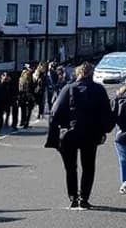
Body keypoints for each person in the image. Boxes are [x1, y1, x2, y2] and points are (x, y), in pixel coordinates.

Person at [48, 63, 114, 210]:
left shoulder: (68, 88)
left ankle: (73, 198)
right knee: (88, 167)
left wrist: (55, 135)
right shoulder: (98, 90)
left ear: (77, 73)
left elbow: (55, 112)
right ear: (92, 74)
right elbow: (106, 114)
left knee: (71, 168)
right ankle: (84, 198)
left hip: (70, 133)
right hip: (91, 133)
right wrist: (104, 131)